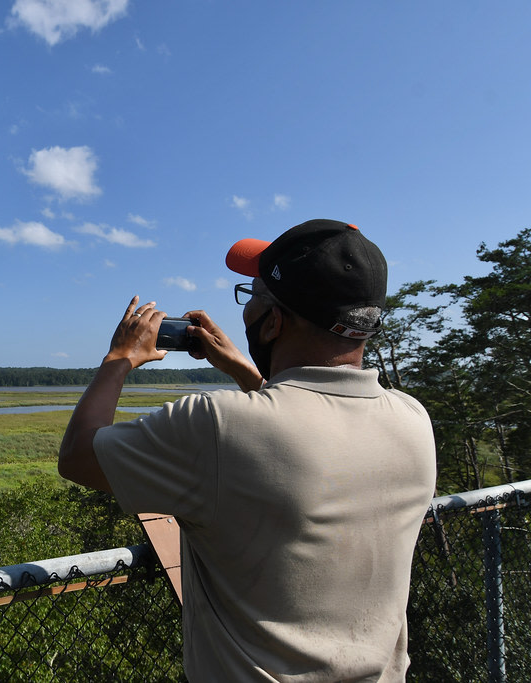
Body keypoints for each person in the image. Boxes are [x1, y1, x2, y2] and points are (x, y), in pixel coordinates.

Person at [58, 219, 437, 682]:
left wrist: (120, 357)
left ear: (273, 321)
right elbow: (305, 430)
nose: (246, 305)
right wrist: (242, 367)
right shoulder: (413, 419)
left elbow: (78, 456)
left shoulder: (216, 426)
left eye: (251, 294)